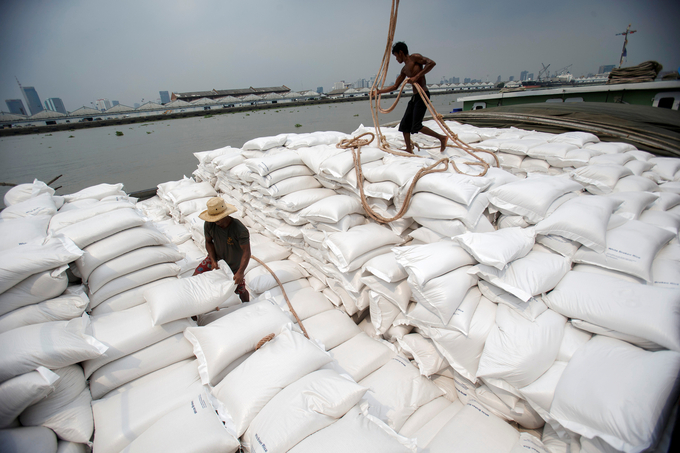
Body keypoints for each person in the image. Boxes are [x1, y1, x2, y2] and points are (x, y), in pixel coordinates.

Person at [374, 41, 448, 153]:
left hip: (422, 94)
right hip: (415, 97)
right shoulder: (404, 70)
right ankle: (409, 149)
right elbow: (395, 86)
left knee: (416, 126)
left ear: (400, 52)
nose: (396, 59)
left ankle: (442, 138)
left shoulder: (415, 58)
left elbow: (432, 63)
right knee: (404, 125)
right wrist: (379, 92)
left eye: (396, 56)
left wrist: (417, 76)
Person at [194, 197, 251, 302]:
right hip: (216, 258)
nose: (215, 221)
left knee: (240, 289)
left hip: (233, 265)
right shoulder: (209, 224)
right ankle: (194, 310)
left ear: (225, 215)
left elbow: (246, 252)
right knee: (196, 276)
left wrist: (240, 272)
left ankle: (247, 304)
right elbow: (208, 242)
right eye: (213, 219)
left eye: (218, 219)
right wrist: (213, 260)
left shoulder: (239, 229)